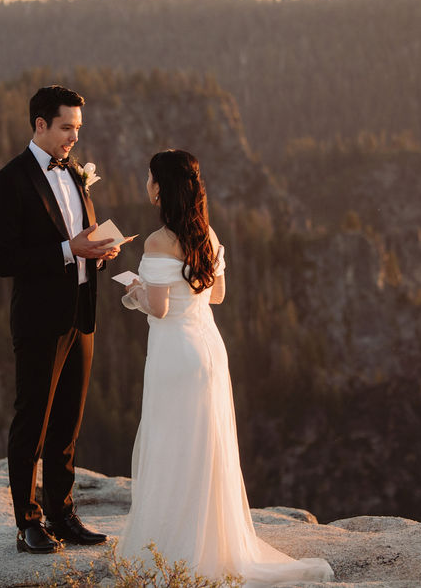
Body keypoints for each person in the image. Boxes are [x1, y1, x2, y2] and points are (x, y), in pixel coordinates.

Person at [118, 149, 334, 585]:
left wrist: (135, 290)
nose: (146, 183)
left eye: (149, 177)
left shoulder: (158, 242)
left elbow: (159, 310)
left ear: (160, 188)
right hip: (209, 350)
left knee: (171, 444)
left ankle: (172, 550)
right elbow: (216, 296)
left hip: (174, 354)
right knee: (206, 448)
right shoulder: (208, 236)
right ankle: (213, 543)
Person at [0, 85, 121, 554]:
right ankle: (27, 523)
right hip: (40, 320)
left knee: (67, 424)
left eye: (78, 129)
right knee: (33, 424)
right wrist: (70, 249)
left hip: (81, 313)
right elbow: (4, 259)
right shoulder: (8, 181)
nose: (73, 139)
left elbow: (81, 239)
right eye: (66, 128)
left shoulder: (76, 175)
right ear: (39, 124)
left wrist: (98, 252)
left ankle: (63, 515)